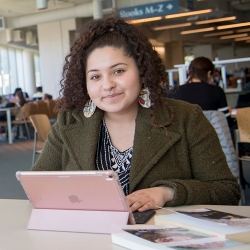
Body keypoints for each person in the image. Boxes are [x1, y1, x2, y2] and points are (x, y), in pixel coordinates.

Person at [31, 15, 240, 212]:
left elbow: (227, 191)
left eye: (118, 71)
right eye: (95, 77)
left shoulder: (186, 118)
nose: (108, 85)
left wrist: (167, 192)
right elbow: (38, 186)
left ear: (142, 70)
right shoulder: (70, 122)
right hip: (90, 238)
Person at [168, 57, 235, 129]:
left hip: (184, 138)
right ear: (209, 73)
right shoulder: (217, 91)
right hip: (211, 137)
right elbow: (226, 122)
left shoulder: (175, 91)